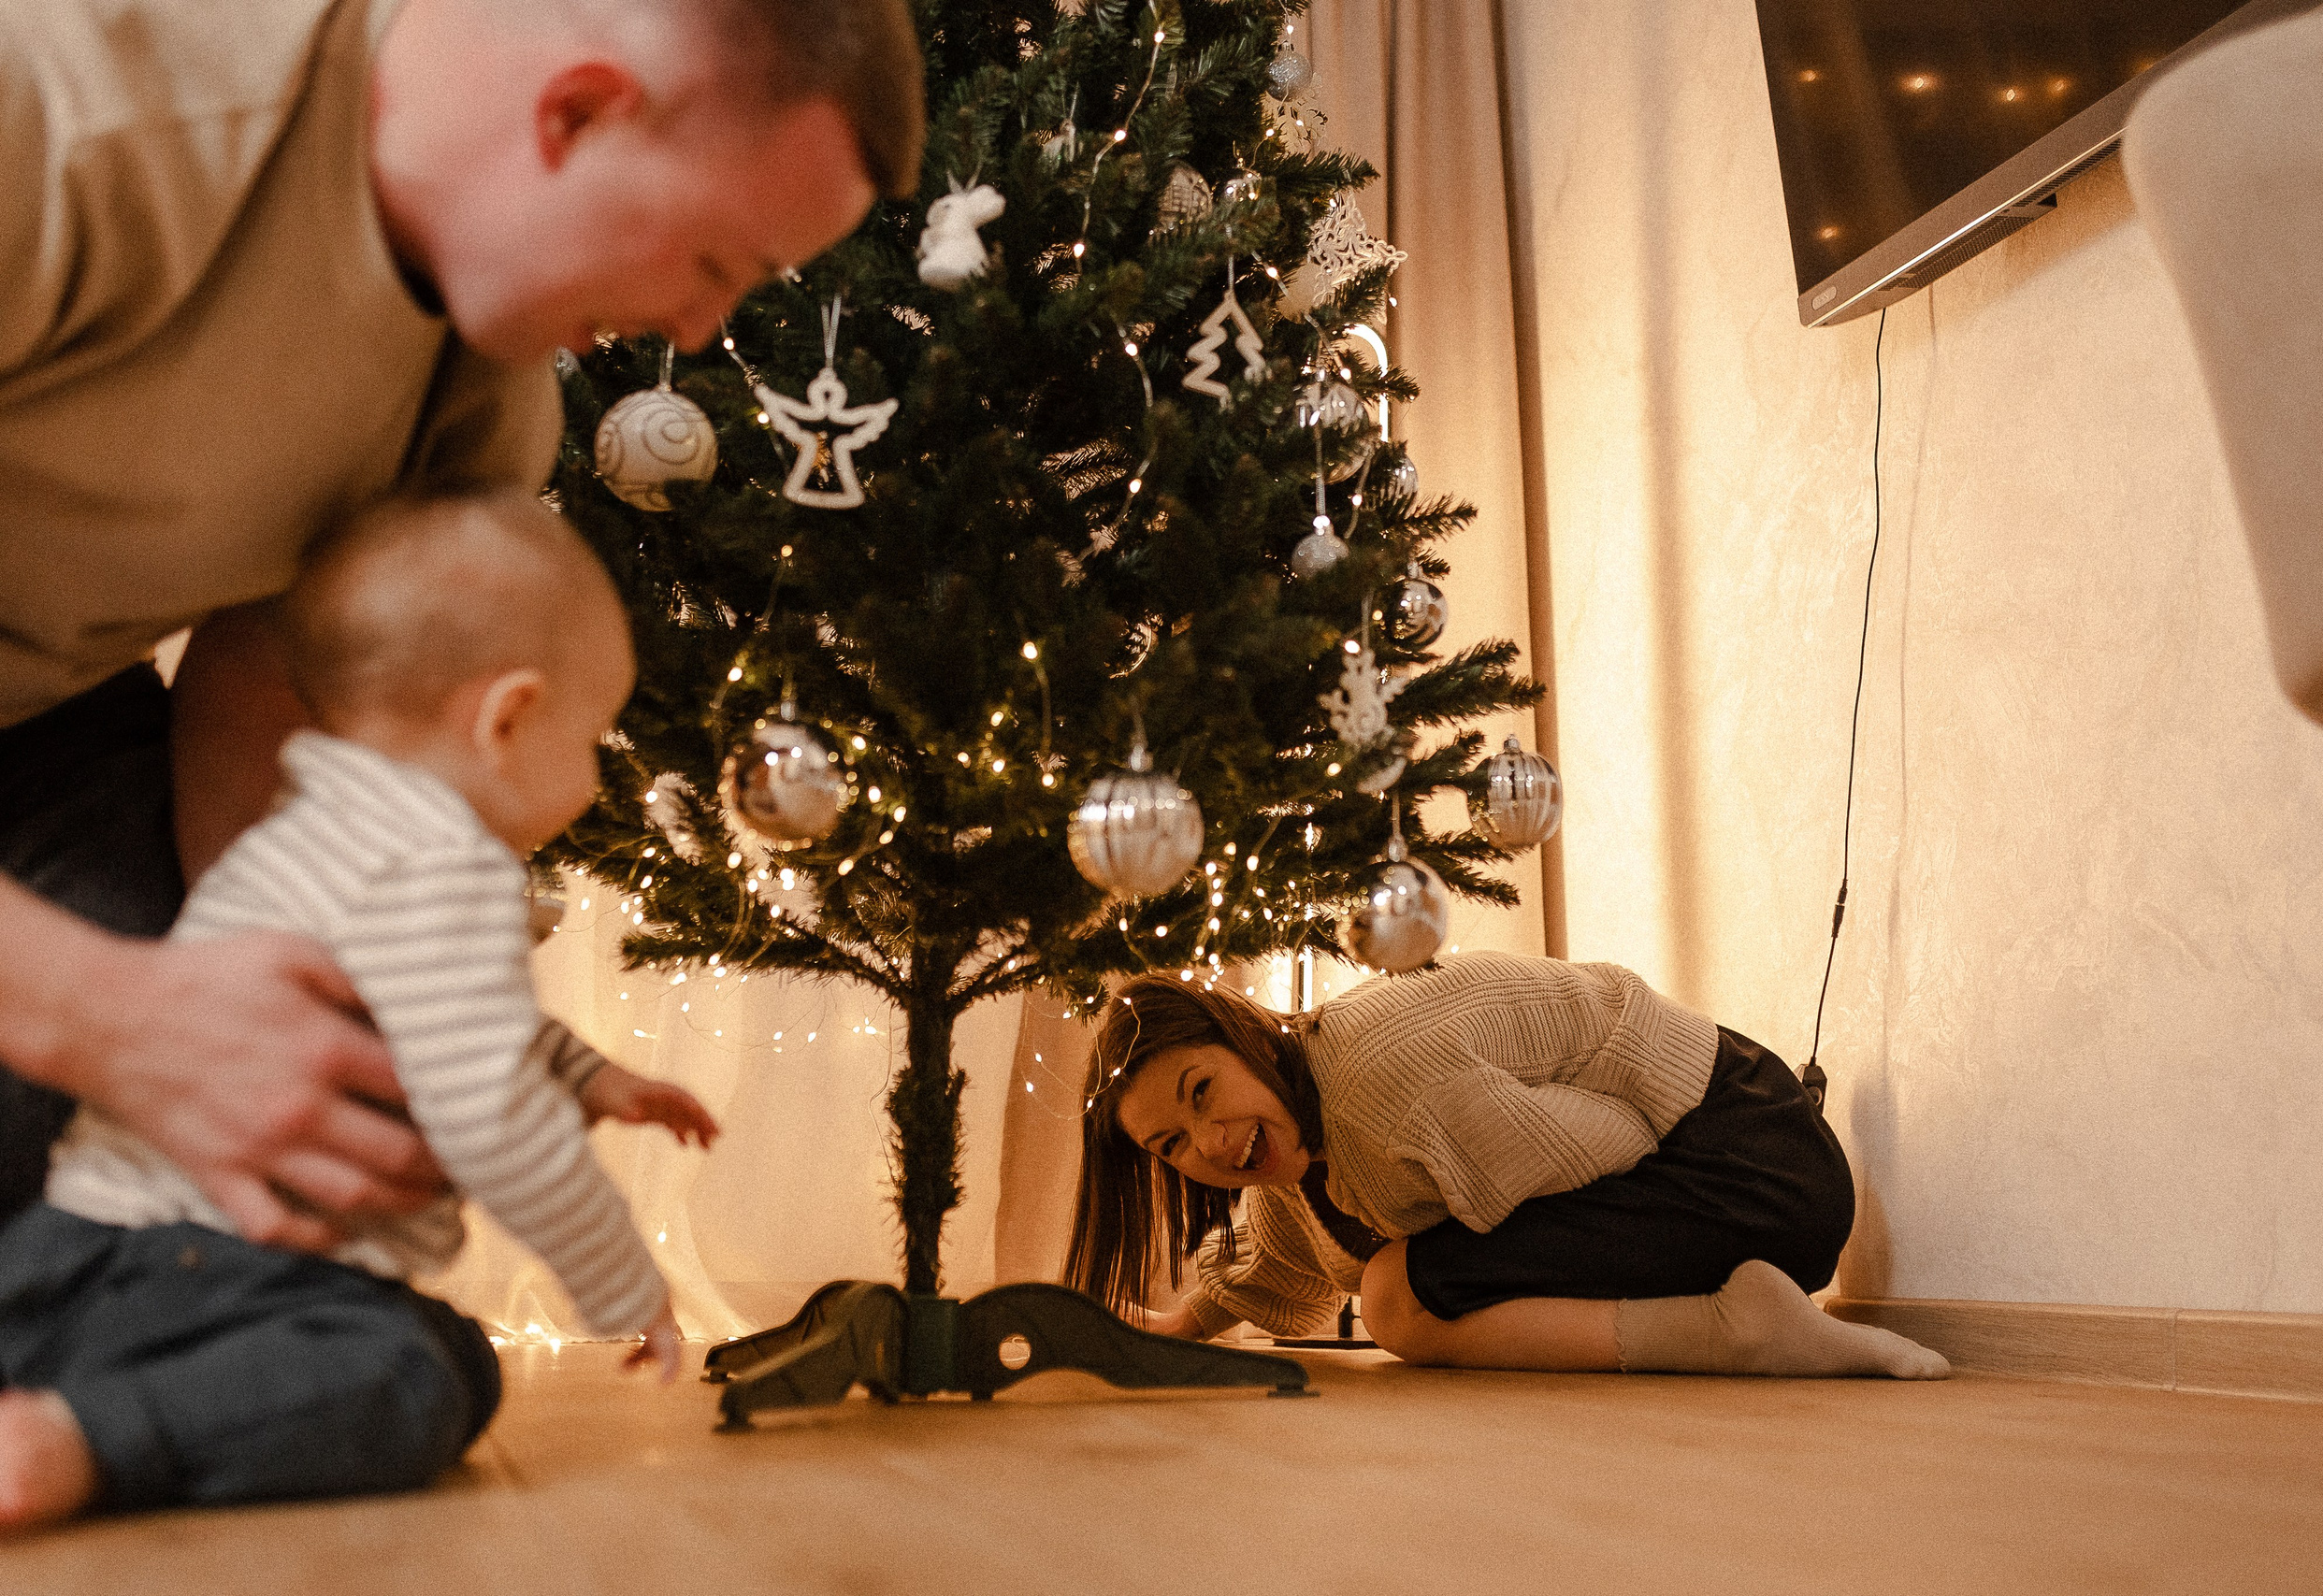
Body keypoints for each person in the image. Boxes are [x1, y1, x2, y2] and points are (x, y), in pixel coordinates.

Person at [0, 0, 921, 1250]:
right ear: (578, 110)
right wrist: (113, 1016)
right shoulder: (67, 116)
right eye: (716, 261)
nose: (701, 334)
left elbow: (269, 694)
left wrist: (296, 1049)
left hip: (49, 720)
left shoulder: (477, 398)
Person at [0, 491, 723, 1530]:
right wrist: (622, 1281)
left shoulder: (313, 822)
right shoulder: (448, 863)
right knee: (428, 1364)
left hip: (68, 1238)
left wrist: (587, 1074)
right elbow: (487, 1116)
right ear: (506, 718)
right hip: (239, 1264)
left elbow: (427, 1008)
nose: (592, 775)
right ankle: (81, 1442)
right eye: (592, 739)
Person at [1066, 953, 1950, 1379]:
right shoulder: (1301, 1140)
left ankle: (1739, 1332)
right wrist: (1179, 1326)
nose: (1212, 1141)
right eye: (1172, 1145)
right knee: (1398, 1288)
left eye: (1199, 1091)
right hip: (1721, 1176)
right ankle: (1740, 1316)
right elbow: (1286, 1262)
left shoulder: (1376, 1082)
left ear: (1243, 1036)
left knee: (1396, 1295)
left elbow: (1616, 1143)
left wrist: (1432, 1271)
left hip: (1751, 1156)